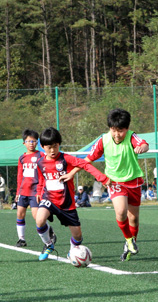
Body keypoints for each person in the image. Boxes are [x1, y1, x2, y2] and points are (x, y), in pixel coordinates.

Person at [62, 108, 149, 261]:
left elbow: (143, 144)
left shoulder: (131, 137)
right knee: (121, 212)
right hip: (114, 182)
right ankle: (129, 240)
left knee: (133, 218)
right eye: (114, 130)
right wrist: (72, 173)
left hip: (134, 182)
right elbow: (88, 159)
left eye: (120, 131)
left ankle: (129, 245)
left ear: (127, 129)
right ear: (110, 128)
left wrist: (143, 147)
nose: (117, 134)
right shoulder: (103, 140)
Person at [33, 127, 109, 261]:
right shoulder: (40, 162)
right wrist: (39, 191)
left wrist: (102, 178)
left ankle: (72, 252)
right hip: (49, 199)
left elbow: (85, 164)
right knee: (39, 220)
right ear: (42, 146)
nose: (52, 150)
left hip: (66, 203)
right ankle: (49, 244)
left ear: (59, 145)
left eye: (55, 146)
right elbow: (41, 178)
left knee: (78, 236)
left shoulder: (66, 158)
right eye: (49, 147)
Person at [14, 129, 55, 247]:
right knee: (20, 214)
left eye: (33, 141)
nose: (31, 143)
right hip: (23, 191)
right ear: (24, 143)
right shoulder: (21, 158)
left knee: (37, 217)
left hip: (35, 191)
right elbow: (20, 176)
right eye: (28, 141)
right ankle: (21, 239)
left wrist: (41, 190)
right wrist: (18, 192)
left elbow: (45, 172)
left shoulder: (41, 155)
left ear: (37, 142)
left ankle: (48, 233)